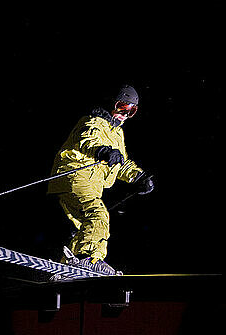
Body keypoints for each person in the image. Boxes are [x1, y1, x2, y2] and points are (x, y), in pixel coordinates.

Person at [46, 85, 154, 274]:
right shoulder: (94, 121)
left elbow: (121, 162)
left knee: (88, 226)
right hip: (75, 176)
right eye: (122, 107)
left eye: (131, 111)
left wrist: (138, 176)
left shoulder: (116, 133)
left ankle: (67, 265)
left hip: (89, 184)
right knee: (98, 216)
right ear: (111, 103)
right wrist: (101, 151)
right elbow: (87, 140)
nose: (125, 114)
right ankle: (88, 259)